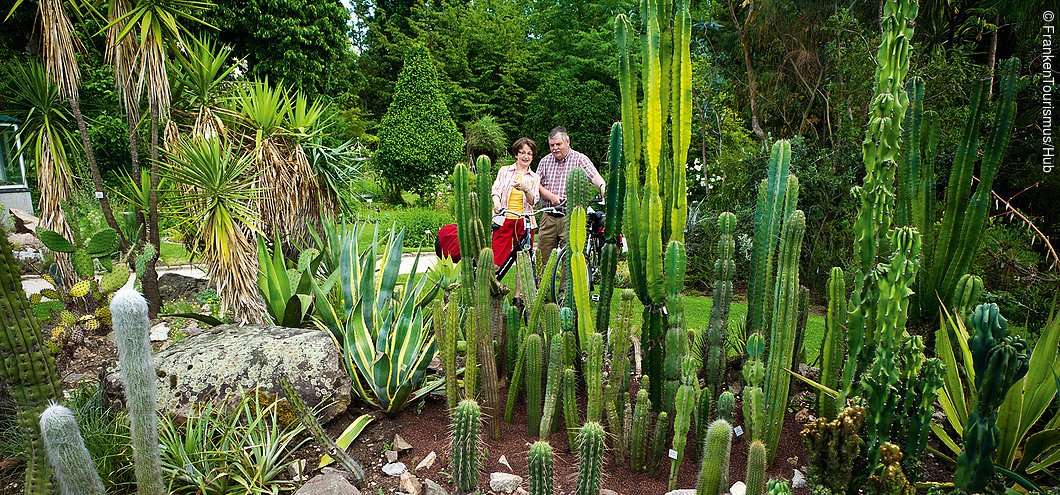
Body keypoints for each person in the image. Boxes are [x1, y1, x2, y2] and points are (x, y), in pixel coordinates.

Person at [535, 126, 605, 267]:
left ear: (568, 142)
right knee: (542, 257)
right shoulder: (545, 161)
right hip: (548, 216)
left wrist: (603, 186)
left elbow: (594, 176)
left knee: (571, 257)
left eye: (558, 144)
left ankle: (565, 290)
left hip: (571, 217)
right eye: (552, 145)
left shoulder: (579, 159)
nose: (555, 148)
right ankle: (542, 288)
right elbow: (535, 183)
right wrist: (550, 196)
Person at [491, 137, 542, 268]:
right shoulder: (504, 171)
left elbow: (533, 202)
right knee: (497, 260)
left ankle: (519, 290)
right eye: (522, 152)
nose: (525, 156)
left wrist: (526, 189)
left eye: (529, 153)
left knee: (523, 261)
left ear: (532, 157)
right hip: (505, 218)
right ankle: (491, 286)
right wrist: (497, 204)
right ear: (516, 154)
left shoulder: (535, 178)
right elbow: (495, 191)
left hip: (525, 222)